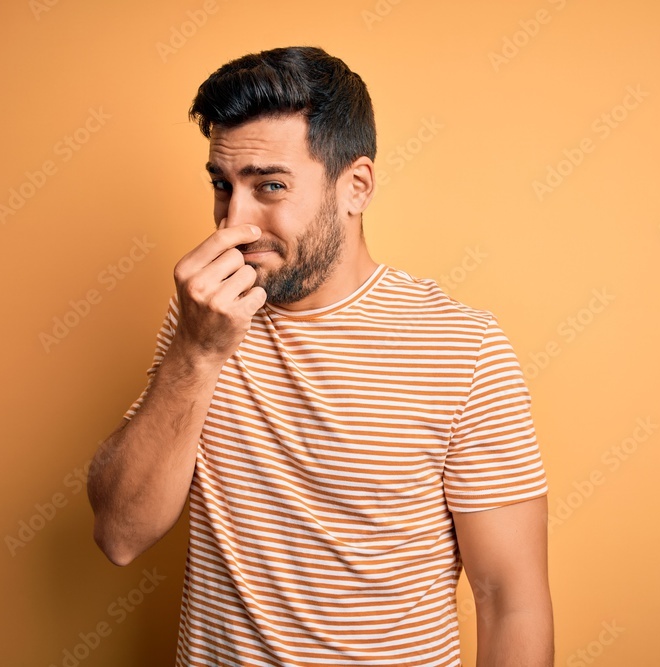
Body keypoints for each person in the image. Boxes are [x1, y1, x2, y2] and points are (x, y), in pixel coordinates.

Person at [87, 45, 553, 666]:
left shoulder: (462, 347)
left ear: (355, 186)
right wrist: (196, 355)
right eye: (223, 187)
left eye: (269, 186)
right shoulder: (204, 320)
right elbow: (120, 534)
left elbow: (510, 600)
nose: (236, 223)